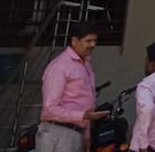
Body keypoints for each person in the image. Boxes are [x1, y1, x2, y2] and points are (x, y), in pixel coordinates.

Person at [37, 21, 108, 152]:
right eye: (88, 41)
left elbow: (85, 103)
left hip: (75, 132)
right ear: (75, 41)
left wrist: (86, 134)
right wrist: (82, 116)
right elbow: (49, 109)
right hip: (57, 131)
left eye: (95, 41)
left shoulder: (86, 65)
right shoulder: (60, 66)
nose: (93, 45)